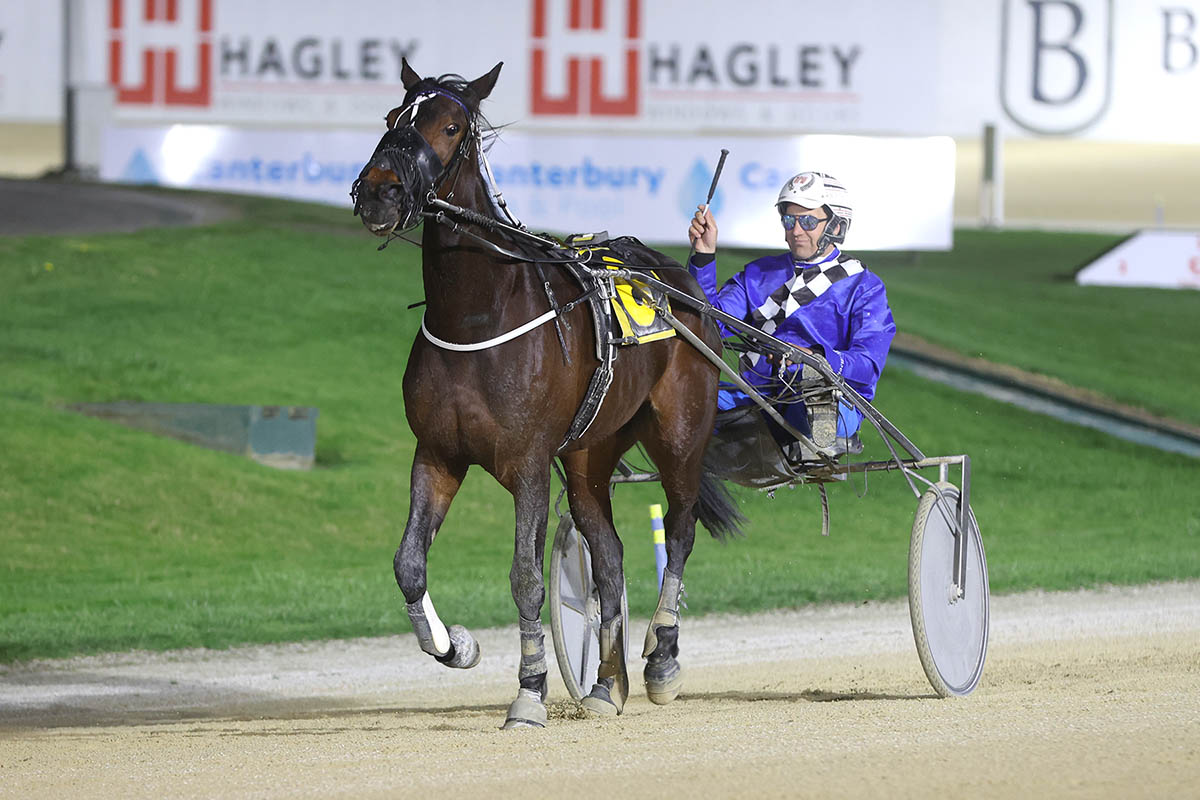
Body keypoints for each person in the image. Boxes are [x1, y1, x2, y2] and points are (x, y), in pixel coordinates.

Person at [686, 171, 895, 453]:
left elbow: (868, 365)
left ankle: (814, 426)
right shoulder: (758, 274)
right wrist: (703, 256)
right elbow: (707, 327)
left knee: (811, 391)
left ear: (835, 225)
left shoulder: (864, 287)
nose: (796, 231)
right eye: (789, 221)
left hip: (830, 403)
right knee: (681, 393)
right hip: (756, 399)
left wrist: (816, 360)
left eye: (807, 222)